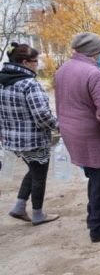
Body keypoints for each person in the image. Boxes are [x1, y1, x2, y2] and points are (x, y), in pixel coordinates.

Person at [54, 32, 100, 243]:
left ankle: (94, 216)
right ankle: (98, 228)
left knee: (94, 177)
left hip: (71, 132)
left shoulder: (63, 70)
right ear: (94, 52)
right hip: (92, 135)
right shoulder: (93, 73)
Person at [0, 43, 60, 226]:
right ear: (25, 62)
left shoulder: (2, 80)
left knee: (33, 170)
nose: (38, 64)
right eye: (36, 61)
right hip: (33, 140)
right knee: (39, 175)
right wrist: (58, 126)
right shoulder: (28, 84)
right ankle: (38, 214)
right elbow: (41, 114)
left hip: (12, 140)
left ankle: (19, 207)